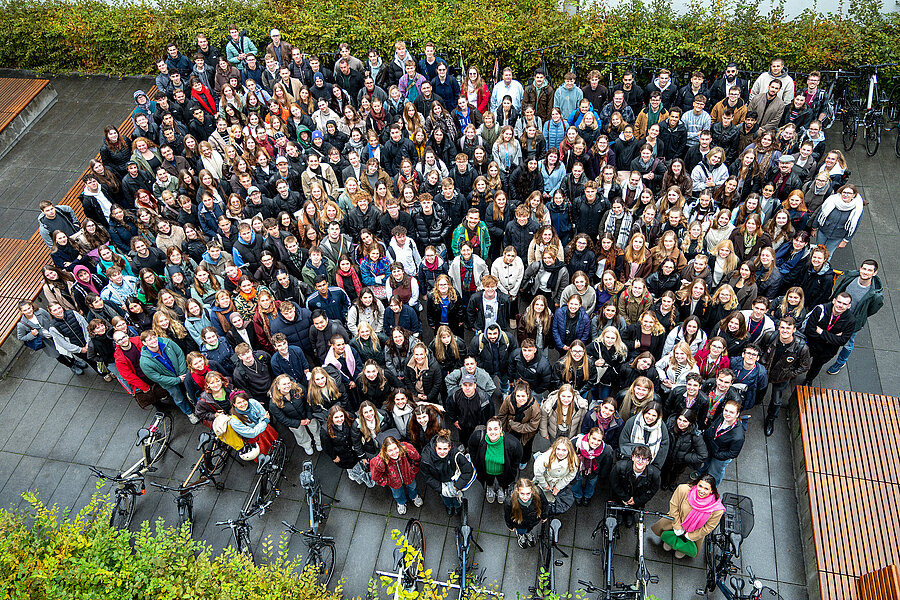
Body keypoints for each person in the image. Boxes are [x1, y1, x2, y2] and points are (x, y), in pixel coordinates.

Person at [825, 259, 884, 375]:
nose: (865, 272)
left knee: (848, 343)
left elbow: (871, 310)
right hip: (837, 313)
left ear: (874, 273)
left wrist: (859, 316)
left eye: (869, 270)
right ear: (860, 269)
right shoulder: (851, 277)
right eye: (864, 269)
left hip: (852, 321)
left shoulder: (875, 295)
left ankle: (841, 362)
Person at [651, 474, 725, 559]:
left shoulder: (717, 509)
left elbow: (709, 527)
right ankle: (670, 541)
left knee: (680, 552)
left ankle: (682, 548)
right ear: (696, 484)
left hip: (695, 532)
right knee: (667, 543)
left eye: (706, 489)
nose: (701, 491)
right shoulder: (683, 489)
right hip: (675, 522)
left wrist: (691, 536)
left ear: (712, 491)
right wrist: (677, 526)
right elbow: (674, 506)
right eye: (700, 486)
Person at [137, 330, 197, 422]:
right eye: (149, 339)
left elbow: (179, 354)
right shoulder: (144, 362)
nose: (153, 340)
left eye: (154, 337)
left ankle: (197, 405)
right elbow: (157, 377)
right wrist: (177, 380)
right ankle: (189, 413)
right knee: (179, 398)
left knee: (192, 389)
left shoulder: (167, 342)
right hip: (169, 383)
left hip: (182, 373)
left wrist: (181, 373)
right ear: (144, 343)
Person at [803, 292, 856, 385]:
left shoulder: (850, 321)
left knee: (816, 366)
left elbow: (842, 341)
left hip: (827, 350)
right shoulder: (820, 310)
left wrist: (821, 332)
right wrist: (832, 338)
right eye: (839, 302)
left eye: (844, 304)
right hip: (812, 344)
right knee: (801, 360)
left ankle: (808, 380)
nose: (841, 306)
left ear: (849, 306)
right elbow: (809, 330)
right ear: (834, 301)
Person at [469, 417, 523, 505]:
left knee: (503, 481)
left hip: (503, 471)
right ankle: (490, 487)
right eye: (490, 429)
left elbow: (518, 456)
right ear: (486, 430)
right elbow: (471, 447)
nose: (493, 432)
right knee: (489, 480)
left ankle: (501, 489)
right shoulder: (478, 437)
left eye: (495, 429)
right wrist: (475, 461)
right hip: (486, 470)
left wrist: (512, 469)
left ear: (501, 429)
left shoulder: (512, 443)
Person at [420, 432, 476, 516]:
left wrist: (456, 487)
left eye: (445, 449)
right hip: (440, 483)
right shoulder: (426, 458)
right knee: (445, 497)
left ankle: (457, 506)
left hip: (454, 481)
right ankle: (449, 506)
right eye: (439, 448)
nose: (442, 452)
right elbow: (427, 476)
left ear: (449, 448)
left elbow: (468, 471)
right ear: (435, 447)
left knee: (456, 496)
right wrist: (441, 488)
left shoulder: (456, 454)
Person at [268, 374, 323, 455]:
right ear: (278, 386)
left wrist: (309, 416)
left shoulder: (298, 388)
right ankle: (307, 445)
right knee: (300, 434)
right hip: (293, 420)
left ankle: (319, 441)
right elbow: (282, 419)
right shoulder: (273, 403)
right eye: (284, 384)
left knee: (315, 428)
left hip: (306, 414)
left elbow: (308, 401)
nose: (287, 386)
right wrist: (298, 423)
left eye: (288, 383)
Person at [609, 444, 661, 526]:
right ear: (633, 457)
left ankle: (630, 514)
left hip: (637, 499)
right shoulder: (619, 467)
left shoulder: (655, 474)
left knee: (634, 508)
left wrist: (637, 500)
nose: (640, 461)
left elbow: (652, 491)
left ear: (648, 461)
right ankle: (619, 513)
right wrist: (625, 498)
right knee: (618, 503)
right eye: (638, 457)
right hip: (620, 496)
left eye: (644, 459)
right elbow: (614, 483)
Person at [369, 436, 423, 515]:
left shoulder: (407, 449)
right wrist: (387, 481)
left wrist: (413, 470)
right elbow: (376, 476)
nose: (394, 452)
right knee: (397, 494)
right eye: (390, 450)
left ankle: (414, 496)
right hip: (394, 482)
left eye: (395, 448)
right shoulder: (380, 461)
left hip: (408, 475)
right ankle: (401, 502)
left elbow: (417, 458)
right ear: (385, 451)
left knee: (412, 487)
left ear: (398, 446)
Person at [698, 399, 744, 485]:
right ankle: (701, 474)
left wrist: (717, 455)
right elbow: (713, 426)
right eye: (726, 410)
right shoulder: (722, 417)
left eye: (731, 412)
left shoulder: (738, 436)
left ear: (737, 414)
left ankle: (713, 486)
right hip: (711, 448)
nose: (727, 414)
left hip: (720, 457)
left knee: (714, 472)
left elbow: (733, 453)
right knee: (707, 463)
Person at [660, 409, 708, 490]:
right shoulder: (669, 426)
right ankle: (664, 482)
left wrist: (686, 457)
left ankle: (672, 483)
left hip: (680, 462)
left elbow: (703, 455)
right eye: (679, 419)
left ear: (690, 423)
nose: (681, 423)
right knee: (665, 470)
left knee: (676, 473)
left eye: (685, 421)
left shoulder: (695, 434)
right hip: (667, 457)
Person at [532, 436, 578, 517]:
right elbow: (538, 473)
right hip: (543, 482)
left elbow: (571, 475)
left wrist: (558, 486)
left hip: (557, 484)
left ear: (569, 451)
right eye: (558, 449)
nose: (560, 453)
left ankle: (546, 512)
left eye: (564, 450)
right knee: (537, 496)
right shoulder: (545, 458)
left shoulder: (573, 461)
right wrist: (544, 485)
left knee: (550, 501)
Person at [570, 427, 614, 506]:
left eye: (599, 440)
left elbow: (606, 465)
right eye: (594, 438)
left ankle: (587, 496)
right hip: (578, 468)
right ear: (589, 436)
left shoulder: (606, 450)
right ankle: (578, 496)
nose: (595, 442)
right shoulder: (576, 443)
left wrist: (602, 475)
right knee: (577, 481)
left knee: (591, 483)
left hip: (594, 470)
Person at [229, 390, 279, 457]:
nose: (243, 404)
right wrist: (264, 422)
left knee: (275, 443)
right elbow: (252, 433)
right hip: (256, 439)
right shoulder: (234, 421)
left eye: (244, 401)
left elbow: (263, 414)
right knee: (265, 454)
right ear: (234, 404)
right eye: (239, 403)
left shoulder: (253, 402)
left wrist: (263, 422)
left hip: (266, 430)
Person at [504, 478, 544, 549]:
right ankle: (521, 534)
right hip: (519, 523)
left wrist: (544, 515)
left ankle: (528, 532)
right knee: (521, 530)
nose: (525, 497)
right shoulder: (509, 502)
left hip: (533, 520)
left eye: (528, 493)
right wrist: (510, 526)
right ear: (517, 491)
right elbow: (507, 515)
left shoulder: (538, 494)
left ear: (532, 491)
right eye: (522, 493)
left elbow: (545, 504)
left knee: (529, 528)